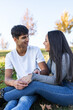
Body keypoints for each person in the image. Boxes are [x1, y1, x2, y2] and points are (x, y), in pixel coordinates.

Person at [2, 30, 73, 106]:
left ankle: (3, 98)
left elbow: (56, 80)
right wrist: (36, 71)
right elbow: (46, 71)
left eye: (46, 41)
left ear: (53, 42)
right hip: (61, 87)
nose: (43, 43)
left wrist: (34, 76)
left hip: (69, 92)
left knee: (35, 84)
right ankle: (3, 91)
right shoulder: (53, 58)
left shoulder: (65, 57)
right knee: (33, 81)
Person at [0, 25, 49, 110]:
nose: (27, 40)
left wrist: (36, 74)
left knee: (24, 100)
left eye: (27, 36)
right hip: (19, 87)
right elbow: (7, 79)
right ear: (15, 39)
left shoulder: (35, 50)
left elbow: (46, 71)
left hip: (34, 86)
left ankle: (3, 95)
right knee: (11, 103)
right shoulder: (10, 56)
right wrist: (14, 83)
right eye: (23, 38)